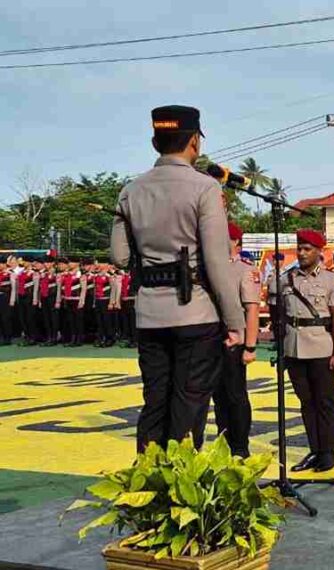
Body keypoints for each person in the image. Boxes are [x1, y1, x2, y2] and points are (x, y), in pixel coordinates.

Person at [110, 105, 246, 453]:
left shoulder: (130, 190)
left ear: (155, 141)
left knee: (155, 401)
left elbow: (120, 257)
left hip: (150, 314)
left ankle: (150, 487)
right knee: (189, 404)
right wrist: (235, 322)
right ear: (194, 142)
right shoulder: (204, 188)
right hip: (195, 313)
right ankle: (181, 492)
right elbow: (216, 261)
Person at [268, 229, 334, 472]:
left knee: (325, 401)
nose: (302, 253)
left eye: (307, 249)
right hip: (293, 346)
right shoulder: (285, 279)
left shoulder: (332, 280)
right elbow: (278, 315)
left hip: (321, 346)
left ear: (319, 252)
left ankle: (328, 452)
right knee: (306, 402)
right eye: (299, 248)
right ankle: (315, 449)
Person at [212, 222, 261, 458]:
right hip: (212, 338)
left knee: (235, 395)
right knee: (217, 395)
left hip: (235, 338)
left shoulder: (244, 270)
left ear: (236, 242)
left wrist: (250, 346)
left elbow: (252, 309)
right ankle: (223, 442)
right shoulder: (212, 267)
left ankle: (240, 446)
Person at [57, 259, 85, 347]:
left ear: (77, 264)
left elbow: (83, 289)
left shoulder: (80, 274)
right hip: (68, 299)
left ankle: (79, 339)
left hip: (77, 299)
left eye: (72, 262)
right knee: (71, 320)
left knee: (78, 320)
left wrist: (82, 300)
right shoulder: (66, 274)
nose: (70, 264)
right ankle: (73, 338)